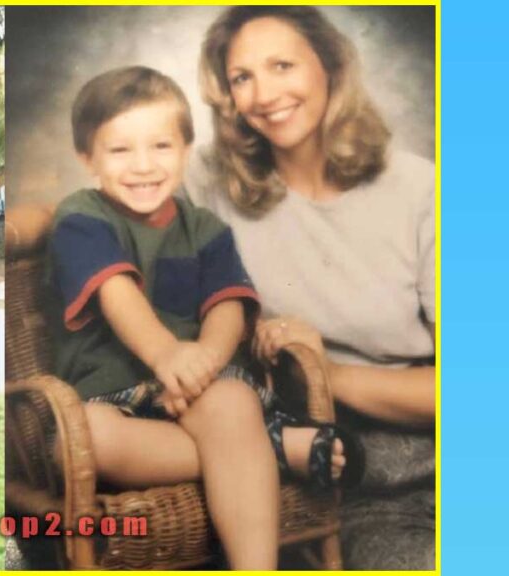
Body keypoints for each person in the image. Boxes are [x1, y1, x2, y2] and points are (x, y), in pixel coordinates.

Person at [46, 65, 360, 570]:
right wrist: (167, 354)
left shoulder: (206, 229)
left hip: (205, 388)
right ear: (88, 159)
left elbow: (227, 306)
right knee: (76, 443)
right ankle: (274, 449)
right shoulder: (82, 218)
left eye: (161, 147)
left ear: (186, 151)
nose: (143, 165)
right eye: (120, 150)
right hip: (110, 394)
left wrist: (205, 363)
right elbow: (115, 292)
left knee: (232, 405)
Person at [188, 6, 436, 569]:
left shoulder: (423, 188)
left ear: (331, 67)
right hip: (360, 481)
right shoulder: (209, 184)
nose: (263, 94)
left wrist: (324, 372)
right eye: (241, 77)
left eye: (282, 65)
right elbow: (116, 201)